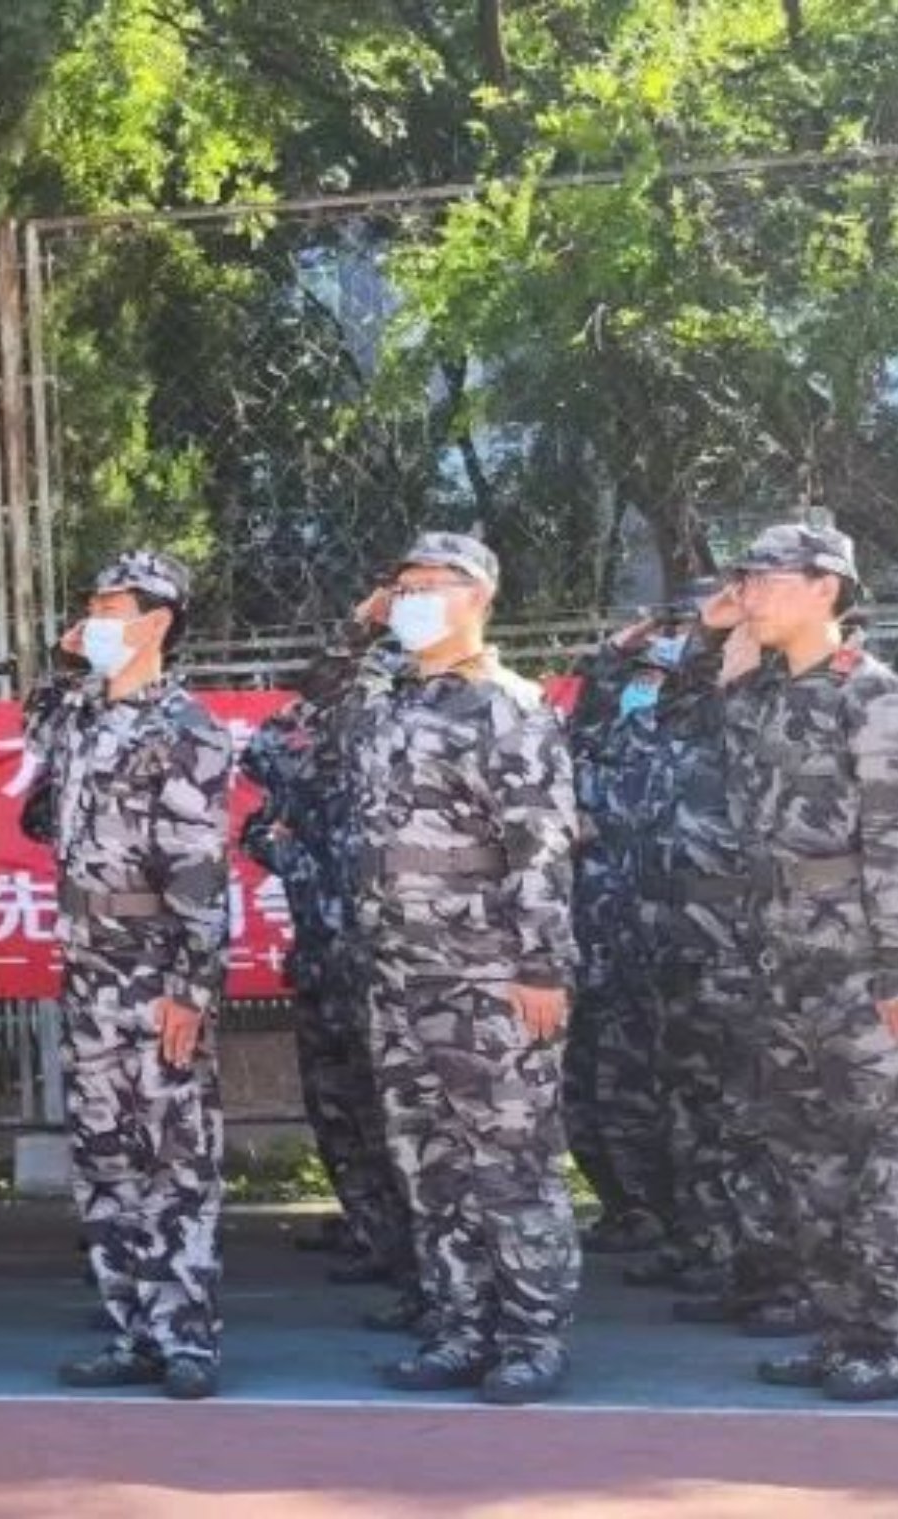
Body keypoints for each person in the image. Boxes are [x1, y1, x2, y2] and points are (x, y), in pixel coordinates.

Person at [343, 532, 582, 1405]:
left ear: (476, 594)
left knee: (510, 1162)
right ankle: (459, 1323)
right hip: (399, 971)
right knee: (429, 1159)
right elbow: (331, 693)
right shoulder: (389, 704)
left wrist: (541, 966)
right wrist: (362, 626)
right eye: (400, 585)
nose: (407, 599)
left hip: (488, 973)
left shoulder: (506, 706)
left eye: (427, 585)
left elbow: (540, 847)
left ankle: (530, 1335)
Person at [719, 523, 898, 1403]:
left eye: (765, 577)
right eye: (744, 579)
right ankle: (841, 1325)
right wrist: (722, 645)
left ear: (825, 586)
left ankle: (893, 1337)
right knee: (805, 1154)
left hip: (860, 961)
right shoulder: (767, 695)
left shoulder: (875, 696)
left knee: (887, 1153)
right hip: (783, 959)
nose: (748, 593)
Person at [24, 551, 235, 1400]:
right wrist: (66, 654)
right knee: (105, 1156)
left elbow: (199, 873)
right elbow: (35, 717)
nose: (93, 618)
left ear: (156, 621)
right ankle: (132, 1328)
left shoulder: (186, 727)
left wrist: (191, 988)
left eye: (110, 607)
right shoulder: (79, 714)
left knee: (172, 1157)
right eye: (91, 605)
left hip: (155, 968)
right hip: (88, 970)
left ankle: (185, 1337)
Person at [244, 640, 413, 1295]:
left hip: (382, 969)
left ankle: (415, 1250)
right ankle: (373, 1230)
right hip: (321, 961)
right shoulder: (311, 763)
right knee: (336, 1106)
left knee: (388, 1112)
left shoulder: (397, 760)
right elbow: (259, 763)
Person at [565, 607, 687, 1258]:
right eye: (637, 675)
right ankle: (625, 1205)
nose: (643, 686)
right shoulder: (602, 741)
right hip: (590, 944)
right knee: (588, 1089)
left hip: (654, 946)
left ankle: (665, 1212)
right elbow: (581, 718)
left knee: (644, 1086)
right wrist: (612, 655)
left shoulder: (679, 741)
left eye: (654, 677)